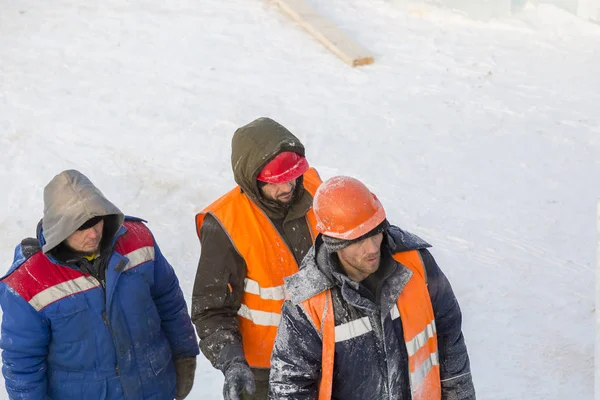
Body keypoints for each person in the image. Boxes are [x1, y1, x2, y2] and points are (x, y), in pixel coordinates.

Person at [269, 176, 476, 400]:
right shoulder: (308, 302)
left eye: (375, 232)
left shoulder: (416, 263)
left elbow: (449, 333)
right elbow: (289, 386)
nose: (372, 248)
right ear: (335, 243)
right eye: (358, 240)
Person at [0, 170, 199, 400]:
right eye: (81, 226)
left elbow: (169, 300)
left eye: (97, 221)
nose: (94, 234)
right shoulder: (29, 282)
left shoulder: (138, 240)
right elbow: (23, 363)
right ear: (60, 228)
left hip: (153, 388)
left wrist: (185, 353)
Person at [191, 117, 322, 400]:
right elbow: (210, 310)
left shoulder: (313, 189)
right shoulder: (226, 226)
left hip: (326, 353)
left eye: (293, 174)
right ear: (252, 179)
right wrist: (232, 361)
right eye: (275, 182)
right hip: (265, 373)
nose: (288, 186)